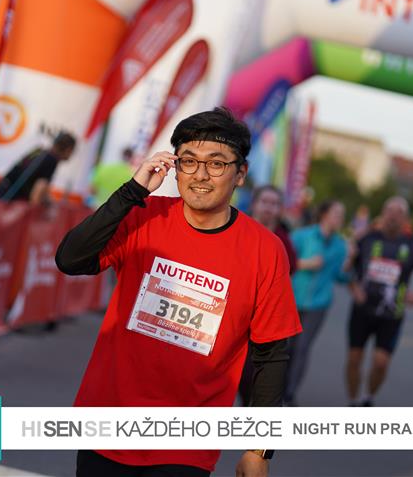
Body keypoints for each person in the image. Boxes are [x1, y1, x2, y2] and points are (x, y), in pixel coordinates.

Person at [56, 107, 301, 477]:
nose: (200, 175)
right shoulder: (144, 215)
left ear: (240, 173)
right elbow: (70, 259)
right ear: (174, 166)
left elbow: (271, 355)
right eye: (189, 161)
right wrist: (132, 191)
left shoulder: (265, 250)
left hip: (187, 444)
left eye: (216, 163)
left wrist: (259, 450)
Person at [346, 197, 413, 407]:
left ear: (406, 218)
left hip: (392, 314)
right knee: (354, 359)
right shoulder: (366, 239)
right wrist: (354, 288)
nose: (393, 215)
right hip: (362, 310)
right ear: (383, 213)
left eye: (399, 212)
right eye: (390, 210)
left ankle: (368, 398)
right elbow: (347, 267)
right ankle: (353, 401)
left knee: (381, 363)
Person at [283, 200, 349, 406]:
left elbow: (340, 277)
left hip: (319, 304)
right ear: (324, 214)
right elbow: (284, 260)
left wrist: (349, 266)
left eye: (342, 215)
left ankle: (290, 393)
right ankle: (276, 388)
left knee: (302, 348)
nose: (340, 218)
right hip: (293, 299)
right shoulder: (302, 236)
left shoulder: (340, 246)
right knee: (286, 347)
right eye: (336, 213)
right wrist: (306, 263)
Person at [237, 185, 297, 406]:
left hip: (261, 318)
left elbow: (289, 273)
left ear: (280, 210)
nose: (269, 208)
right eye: (264, 202)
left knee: (250, 378)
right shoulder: (236, 228)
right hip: (228, 310)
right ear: (254, 204)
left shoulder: (284, 241)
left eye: (274, 204)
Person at [0, 131, 76, 203]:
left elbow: (39, 188)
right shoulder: (52, 160)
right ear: (68, 149)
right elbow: (36, 195)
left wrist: (53, 204)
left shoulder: (40, 151)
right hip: (6, 204)